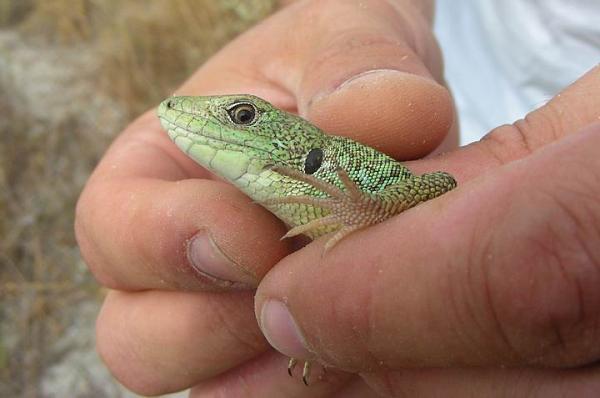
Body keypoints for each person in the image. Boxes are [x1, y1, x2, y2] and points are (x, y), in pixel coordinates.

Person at [75, 1, 600, 396]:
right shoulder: (302, 184)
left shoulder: (346, 172)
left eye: (241, 116)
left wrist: (366, 209)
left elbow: (439, 185)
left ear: (298, 148)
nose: (187, 113)